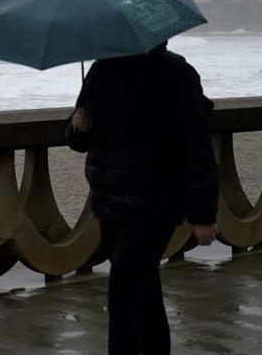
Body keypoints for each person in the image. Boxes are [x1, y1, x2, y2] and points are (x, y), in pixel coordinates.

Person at [65, 41, 219, 355]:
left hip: (155, 203)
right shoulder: (101, 68)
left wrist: (203, 215)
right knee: (144, 291)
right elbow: (81, 139)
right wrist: (77, 128)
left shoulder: (175, 73)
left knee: (123, 292)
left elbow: (197, 145)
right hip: (110, 202)